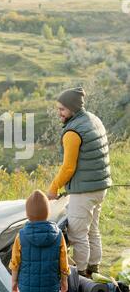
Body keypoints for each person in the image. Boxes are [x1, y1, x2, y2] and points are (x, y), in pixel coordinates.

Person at [47, 87, 112, 277]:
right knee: (93, 230)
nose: (59, 113)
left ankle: (82, 275)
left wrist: (53, 188)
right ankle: (95, 269)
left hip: (84, 191)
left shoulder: (72, 132)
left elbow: (68, 168)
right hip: (100, 187)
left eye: (62, 109)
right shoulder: (93, 119)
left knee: (78, 234)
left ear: (73, 109)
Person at [10, 190, 70, 292]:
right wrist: (64, 281)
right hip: (50, 283)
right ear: (48, 213)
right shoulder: (58, 235)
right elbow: (64, 262)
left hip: (27, 284)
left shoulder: (20, 235)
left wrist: (14, 281)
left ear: (28, 214)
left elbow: (15, 262)